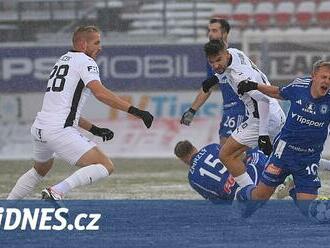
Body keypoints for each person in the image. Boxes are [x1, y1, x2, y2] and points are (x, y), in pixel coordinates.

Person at [7, 25, 154, 200]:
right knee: (105, 165)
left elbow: (66, 108)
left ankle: (4, 210)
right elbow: (101, 93)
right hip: (58, 130)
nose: (100, 47)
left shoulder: (62, 60)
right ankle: (57, 191)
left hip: (40, 128)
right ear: (83, 44)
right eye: (96, 42)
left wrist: (94, 129)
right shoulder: (85, 62)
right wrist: (136, 111)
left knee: (40, 170)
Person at [236, 60, 330, 219]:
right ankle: (242, 194)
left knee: (313, 212)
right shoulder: (299, 87)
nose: (327, 81)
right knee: (260, 197)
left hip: (309, 158)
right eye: (324, 77)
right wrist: (255, 86)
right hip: (284, 152)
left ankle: (294, 190)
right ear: (313, 76)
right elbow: (278, 92)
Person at [199, 39, 285, 191]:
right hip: (275, 111)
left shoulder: (241, 78)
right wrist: (215, 79)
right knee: (290, 159)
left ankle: (249, 194)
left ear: (225, 54)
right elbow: (224, 69)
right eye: (211, 62)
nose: (215, 65)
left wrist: (263, 135)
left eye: (218, 60)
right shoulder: (234, 52)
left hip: (263, 117)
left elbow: (262, 101)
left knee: (225, 154)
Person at [180, 19, 246, 146]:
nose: (210, 34)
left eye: (214, 30)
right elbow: (208, 87)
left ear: (225, 33)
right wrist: (192, 110)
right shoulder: (211, 58)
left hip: (241, 106)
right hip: (228, 109)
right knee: (228, 151)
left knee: (228, 151)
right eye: (209, 30)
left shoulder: (235, 54)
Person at [174, 140, 292, 203]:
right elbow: (238, 156)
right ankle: (283, 180)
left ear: (183, 160)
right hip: (251, 178)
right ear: (194, 147)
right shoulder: (211, 147)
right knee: (258, 150)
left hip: (239, 196)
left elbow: (215, 200)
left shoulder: (192, 179)